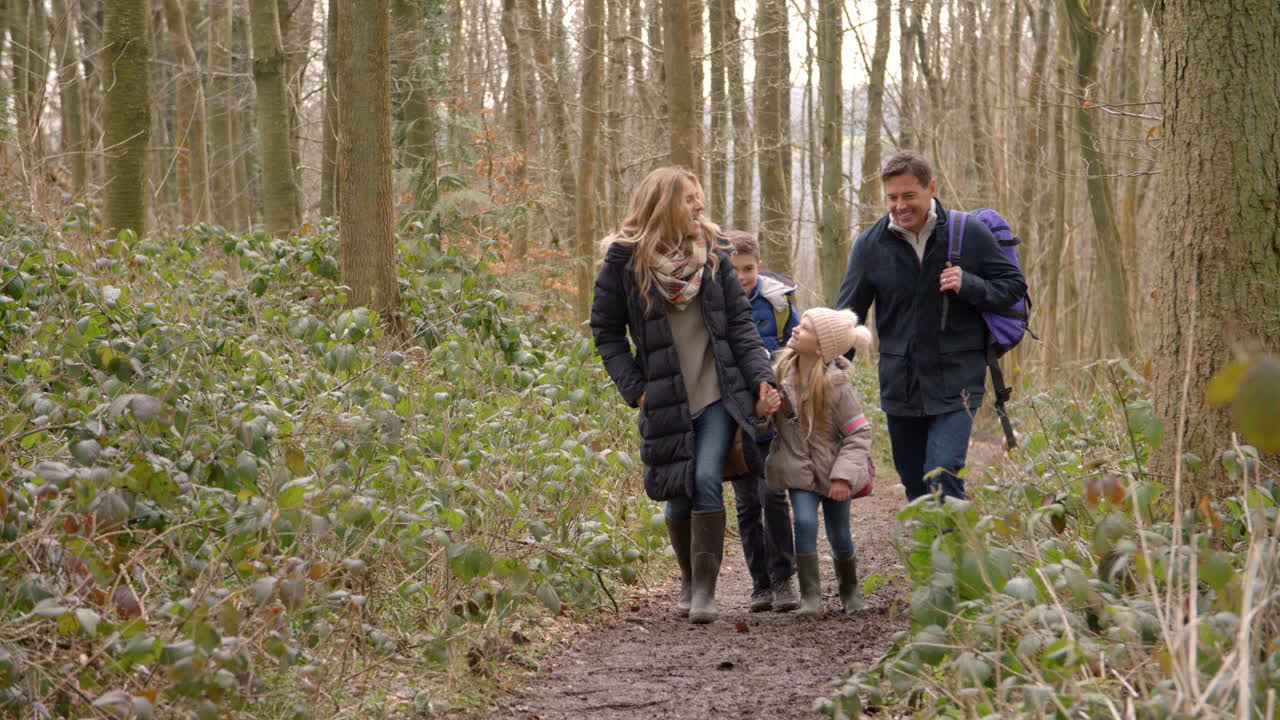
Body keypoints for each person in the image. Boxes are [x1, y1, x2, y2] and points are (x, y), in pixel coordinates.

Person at [590, 166, 780, 624]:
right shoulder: (624, 260)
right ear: (664, 205)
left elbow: (739, 324)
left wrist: (760, 378)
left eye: (700, 197)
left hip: (717, 391)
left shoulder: (714, 254)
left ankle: (706, 595)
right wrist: (636, 390)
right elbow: (607, 332)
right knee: (676, 490)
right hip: (664, 397)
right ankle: (689, 580)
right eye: (690, 199)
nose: (700, 206)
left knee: (706, 478)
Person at [835, 151, 1026, 501]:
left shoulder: (968, 233)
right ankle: (928, 552)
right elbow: (848, 317)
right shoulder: (870, 245)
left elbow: (1014, 287)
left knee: (943, 476)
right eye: (892, 197)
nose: (899, 205)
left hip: (958, 381)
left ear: (930, 189)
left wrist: (969, 284)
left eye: (909, 195)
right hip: (900, 385)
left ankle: (953, 555)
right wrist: (828, 374)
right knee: (915, 486)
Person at [765, 308, 874, 616]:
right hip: (798, 469)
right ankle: (810, 596)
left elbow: (859, 433)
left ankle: (849, 591)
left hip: (833, 473)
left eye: (806, 328)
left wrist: (843, 477)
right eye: (800, 324)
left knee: (839, 533)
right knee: (804, 521)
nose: (796, 329)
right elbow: (762, 425)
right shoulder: (778, 376)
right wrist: (763, 409)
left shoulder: (837, 387)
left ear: (820, 347)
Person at [725, 230, 800, 612]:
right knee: (746, 500)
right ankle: (760, 584)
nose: (742, 276)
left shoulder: (778, 302)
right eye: (734, 269)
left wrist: (777, 375)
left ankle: (784, 577)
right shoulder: (714, 301)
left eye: (748, 268)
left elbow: (798, 344)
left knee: (773, 492)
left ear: (758, 264)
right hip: (734, 411)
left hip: (773, 405)